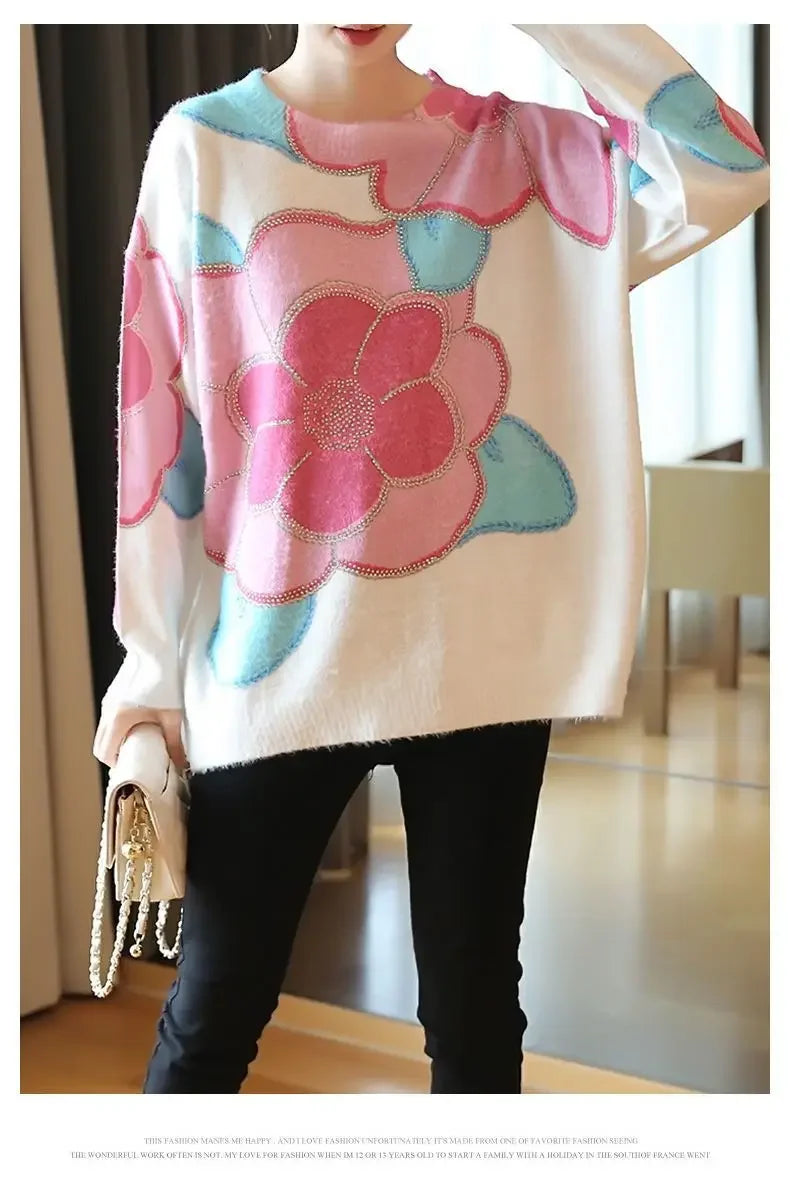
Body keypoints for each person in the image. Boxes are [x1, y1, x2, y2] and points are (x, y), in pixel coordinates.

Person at [92, 23, 769, 1094]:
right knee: (213, 1014)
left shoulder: (527, 159)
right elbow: (159, 433)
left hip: (480, 666)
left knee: (474, 1016)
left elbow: (724, 165)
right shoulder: (202, 146)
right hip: (271, 663)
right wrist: (149, 676)